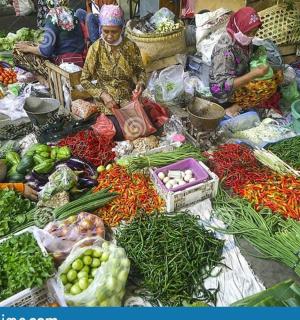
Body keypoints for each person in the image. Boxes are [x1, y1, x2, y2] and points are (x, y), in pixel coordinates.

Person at [209, 7, 283, 117]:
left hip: (239, 77)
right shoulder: (225, 51)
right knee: (266, 86)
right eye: (248, 32)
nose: (251, 36)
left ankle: (247, 101)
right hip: (223, 92)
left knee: (278, 75)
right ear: (237, 28)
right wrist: (254, 74)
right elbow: (224, 85)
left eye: (254, 32)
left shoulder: (242, 41)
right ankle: (235, 107)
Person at [80, 4, 146, 115]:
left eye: (114, 32)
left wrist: (140, 84)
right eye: (106, 31)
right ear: (101, 28)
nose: (109, 36)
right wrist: (103, 95)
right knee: (115, 129)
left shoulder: (131, 47)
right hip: (106, 103)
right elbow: (84, 80)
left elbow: (140, 71)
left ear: (121, 29)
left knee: (137, 126)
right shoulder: (96, 49)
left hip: (128, 98)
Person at [14, 0, 86, 80]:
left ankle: (44, 82)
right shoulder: (73, 13)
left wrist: (28, 48)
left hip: (64, 67)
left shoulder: (53, 17)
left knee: (21, 53)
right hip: (80, 62)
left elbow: (46, 51)